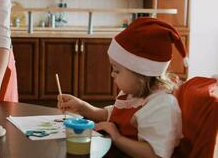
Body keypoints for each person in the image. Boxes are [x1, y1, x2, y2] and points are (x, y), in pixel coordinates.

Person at [58, 17, 186, 158]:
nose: (112, 74)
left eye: (117, 70)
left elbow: (154, 154)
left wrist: (117, 138)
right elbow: (111, 116)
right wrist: (82, 107)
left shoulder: (161, 105)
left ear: (141, 75)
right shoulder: (132, 93)